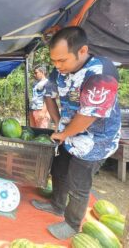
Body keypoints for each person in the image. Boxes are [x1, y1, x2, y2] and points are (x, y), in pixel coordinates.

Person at [31, 26, 121, 239]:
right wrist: (57, 124)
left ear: (82, 51)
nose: (57, 66)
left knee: (78, 184)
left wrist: (64, 133)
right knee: (59, 170)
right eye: (53, 61)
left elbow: (88, 116)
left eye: (62, 60)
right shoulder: (59, 70)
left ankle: (72, 224)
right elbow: (49, 96)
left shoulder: (102, 73)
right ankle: (57, 205)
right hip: (69, 133)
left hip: (95, 140)